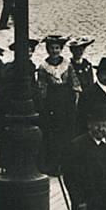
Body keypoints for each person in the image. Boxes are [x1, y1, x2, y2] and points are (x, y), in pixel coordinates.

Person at [37, 34, 78, 177]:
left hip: (66, 102)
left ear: (61, 49)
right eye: (52, 48)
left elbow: (74, 83)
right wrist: (43, 105)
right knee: (53, 135)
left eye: (57, 48)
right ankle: (54, 165)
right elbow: (42, 87)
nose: (54, 51)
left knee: (67, 133)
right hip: (52, 103)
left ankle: (67, 165)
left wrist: (75, 99)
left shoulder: (67, 65)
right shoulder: (43, 67)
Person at [79, 56, 106, 135]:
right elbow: (82, 120)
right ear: (97, 74)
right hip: (97, 135)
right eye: (105, 73)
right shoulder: (88, 93)